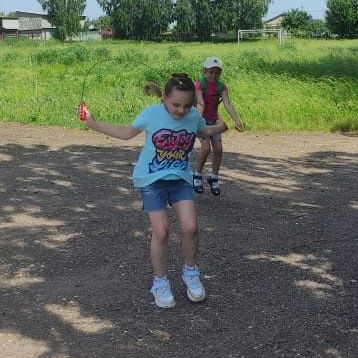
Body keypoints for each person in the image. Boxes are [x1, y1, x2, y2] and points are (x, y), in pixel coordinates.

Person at [80, 73, 226, 309]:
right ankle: (160, 282)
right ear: (164, 99)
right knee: (162, 232)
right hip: (151, 180)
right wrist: (92, 123)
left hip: (179, 179)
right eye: (175, 105)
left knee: (190, 227)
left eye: (187, 105)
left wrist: (220, 126)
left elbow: (202, 131)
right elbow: (126, 133)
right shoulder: (151, 114)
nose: (181, 110)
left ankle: (191, 273)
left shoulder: (192, 117)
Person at [192, 56, 245, 196]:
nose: (213, 75)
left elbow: (227, 104)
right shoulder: (199, 84)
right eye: (210, 72)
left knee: (219, 150)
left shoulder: (222, 86)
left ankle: (213, 177)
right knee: (205, 148)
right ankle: (197, 175)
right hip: (202, 119)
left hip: (214, 120)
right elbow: (200, 103)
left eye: (217, 72)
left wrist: (237, 120)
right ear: (205, 71)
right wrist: (197, 121)